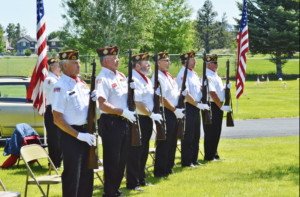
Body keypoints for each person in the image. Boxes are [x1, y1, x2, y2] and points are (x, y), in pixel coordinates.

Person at [51, 49, 98, 197]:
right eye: (75, 63)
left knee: (87, 174)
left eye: (78, 62)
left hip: (86, 132)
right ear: (64, 66)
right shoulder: (60, 86)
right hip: (71, 135)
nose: (79, 65)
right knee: (73, 175)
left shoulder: (82, 84)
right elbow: (57, 119)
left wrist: (94, 101)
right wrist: (79, 135)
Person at [95, 46, 136, 197]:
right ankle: (109, 192)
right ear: (105, 61)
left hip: (123, 121)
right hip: (111, 122)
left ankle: (115, 189)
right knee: (112, 159)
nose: (118, 60)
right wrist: (121, 111)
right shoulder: (102, 78)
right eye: (114, 58)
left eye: (117, 57)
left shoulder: (121, 76)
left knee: (122, 158)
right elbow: (102, 104)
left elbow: (126, 99)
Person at [126, 53, 162, 191]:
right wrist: (151, 114)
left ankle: (141, 180)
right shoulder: (134, 79)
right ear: (137, 65)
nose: (149, 65)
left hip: (147, 118)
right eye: (146, 63)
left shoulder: (145, 79)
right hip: (138, 119)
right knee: (135, 152)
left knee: (144, 151)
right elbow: (138, 102)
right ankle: (132, 183)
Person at [150, 51, 184, 177]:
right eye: (166, 60)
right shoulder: (157, 77)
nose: (169, 62)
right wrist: (174, 110)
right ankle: (160, 171)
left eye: (169, 60)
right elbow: (161, 98)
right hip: (166, 111)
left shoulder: (168, 76)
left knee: (172, 142)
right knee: (164, 142)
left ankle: (168, 167)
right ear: (158, 63)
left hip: (174, 111)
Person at [176, 51, 210, 167]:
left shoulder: (193, 74)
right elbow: (186, 94)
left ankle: (194, 159)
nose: (195, 61)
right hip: (189, 106)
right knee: (188, 135)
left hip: (196, 106)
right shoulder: (183, 74)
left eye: (195, 59)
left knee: (196, 134)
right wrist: (197, 104)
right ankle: (187, 161)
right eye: (192, 59)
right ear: (185, 61)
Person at [201, 54, 232, 161]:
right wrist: (221, 106)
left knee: (217, 130)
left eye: (217, 62)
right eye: (215, 62)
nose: (217, 64)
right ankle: (209, 156)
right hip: (212, 105)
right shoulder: (208, 76)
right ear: (209, 64)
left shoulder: (215, 75)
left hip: (217, 105)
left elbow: (218, 91)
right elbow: (213, 94)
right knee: (211, 131)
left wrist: (225, 88)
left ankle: (214, 153)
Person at [43, 57, 62, 169]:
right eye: (59, 66)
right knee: (54, 138)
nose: (61, 68)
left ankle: (59, 161)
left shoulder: (58, 78)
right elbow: (59, 87)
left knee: (61, 137)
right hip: (51, 111)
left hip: (59, 110)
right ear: (52, 67)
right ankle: (53, 163)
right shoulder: (49, 79)